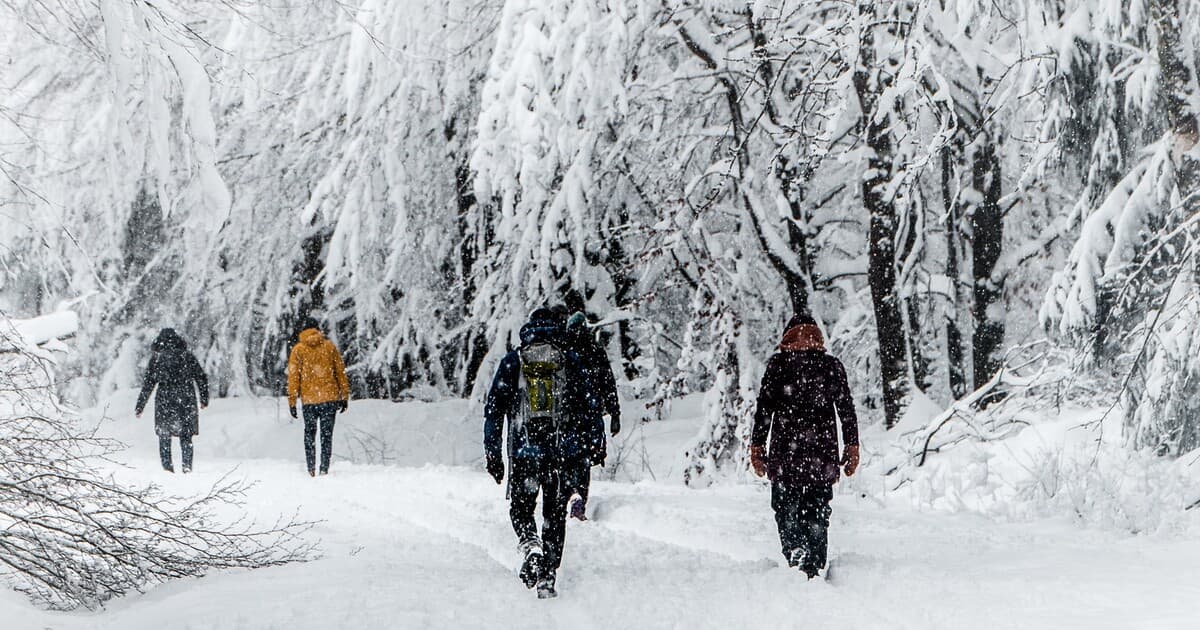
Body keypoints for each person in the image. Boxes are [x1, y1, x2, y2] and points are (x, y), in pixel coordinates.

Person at [484, 307, 602, 599]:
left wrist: (494, 454)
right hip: (559, 454)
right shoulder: (569, 361)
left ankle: (530, 544)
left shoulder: (514, 362)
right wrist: (595, 442)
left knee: (522, 508)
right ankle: (548, 575)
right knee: (554, 513)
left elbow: (494, 411)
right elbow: (590, 405)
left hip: (525, 453)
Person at [749, 313, 859, 579]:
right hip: (822, 455)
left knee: (786, 508)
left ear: (787, 338)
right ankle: (816, 559)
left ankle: (796, 550)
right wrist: (852, 445)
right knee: (818, 509)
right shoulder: (831, 366)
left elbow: (764, 409)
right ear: (818, 338)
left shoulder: (778, 366)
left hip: (786, 455)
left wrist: (757, 447)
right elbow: (846, 410)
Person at [559, 293, 620, 521]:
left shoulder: (563, 351)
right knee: (584, 459)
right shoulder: (595, 351)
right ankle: (579, 497)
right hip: (591, 413)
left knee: (566, 458)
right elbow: (608, 383)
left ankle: (570, 492)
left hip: (566, 415)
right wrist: (614, 413)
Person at [135, 328, 209, 473]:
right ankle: (187, 466)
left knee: (164, 435)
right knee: (186, 435)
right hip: (186, 396)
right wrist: (204, 398)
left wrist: (140, 406)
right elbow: (201, 377)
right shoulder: (187, 356)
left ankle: (167, 468)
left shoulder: (156, 359)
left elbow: (148, 384)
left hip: (165, 397)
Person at [287, 317, 350, 477]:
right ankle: (324, 468)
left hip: (309, 401)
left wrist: (292, 401)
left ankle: (310, 468)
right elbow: (340, 372)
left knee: (309, 434)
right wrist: (344, 395)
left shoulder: (298, 350)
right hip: (329, 399)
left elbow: (293, 377)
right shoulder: (329, 347)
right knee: (326, 435)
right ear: (317, 330)